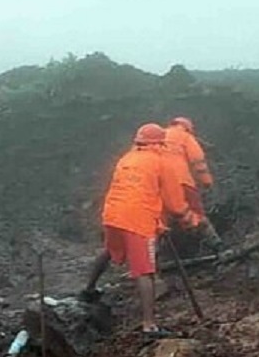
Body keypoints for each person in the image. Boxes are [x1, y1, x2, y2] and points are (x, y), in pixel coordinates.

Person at [82, 123, 199, 337]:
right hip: (137, 220)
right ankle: (149, 326)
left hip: (113, 214)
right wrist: (190, 220)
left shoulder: (127, 158)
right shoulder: (161, 163)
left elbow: (139, 190)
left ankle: (88, 290)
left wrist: (159, 222)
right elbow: (174, 203)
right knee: (145, 271)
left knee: (110, 250)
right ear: (160, 143)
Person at [163, 117, 222, 248]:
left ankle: (158, 255)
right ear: (188, 128)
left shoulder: (158, 136)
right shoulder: (186, 137)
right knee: (197, 212)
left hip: (160, 184)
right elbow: (198, 162)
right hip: (182, 181)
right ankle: (216, 245)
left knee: (162, 220)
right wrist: (207, 182)